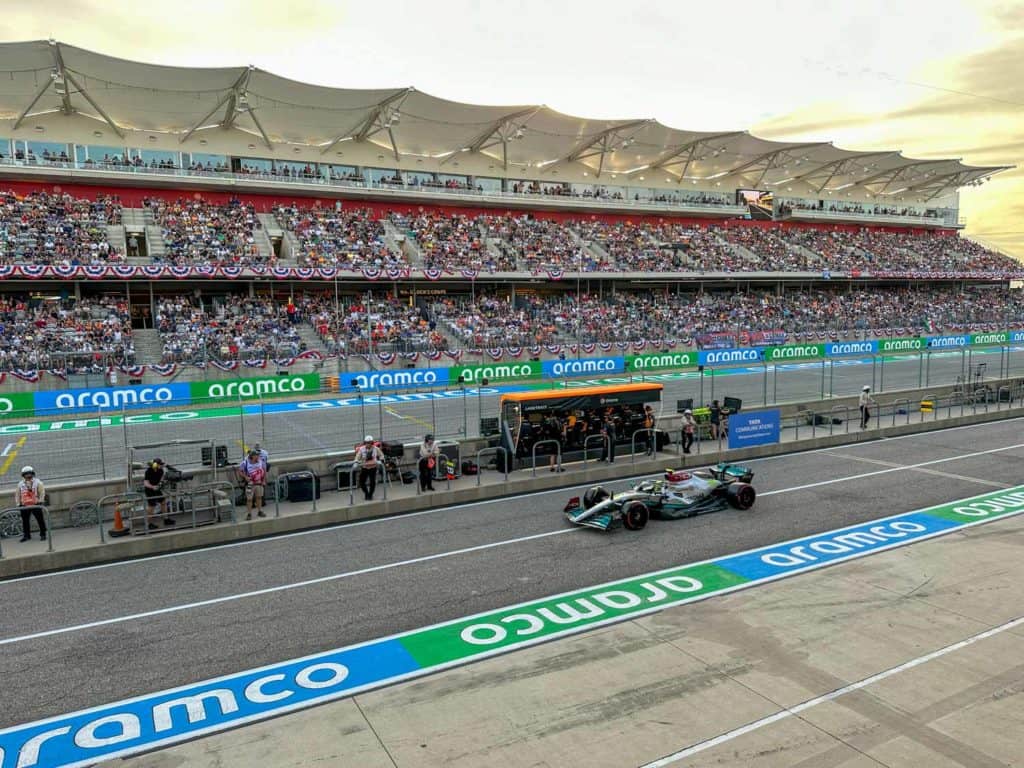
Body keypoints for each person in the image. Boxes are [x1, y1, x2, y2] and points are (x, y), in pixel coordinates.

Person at [14, 466, 46, 542]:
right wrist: (18, 503)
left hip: (35, 504)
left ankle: (43, 534)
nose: (28, 476)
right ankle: (26, 535)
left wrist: (40, 501)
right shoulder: (20, 484)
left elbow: (42, 492)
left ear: (32, 474)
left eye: (29, 474)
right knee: (25, 521)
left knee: (40, 520)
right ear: (23, 475)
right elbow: (17, 494)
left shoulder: (38, 482)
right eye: (26, 474)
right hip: (24, 505)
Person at [142, 458, 175, 530]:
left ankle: (166, 519)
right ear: (155, 465)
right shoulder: (148, 471)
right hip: (149, 490)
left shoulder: (161, 470)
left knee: (163, 502)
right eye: (159, 464)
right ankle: (149, 524)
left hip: (157, 489)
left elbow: (161, 479)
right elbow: (145, 483)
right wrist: (152, 487)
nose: (161, 465)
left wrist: (161, 484)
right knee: (152, 506)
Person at [238, 449, 267, 519]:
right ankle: (249, 514)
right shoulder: (245, 463)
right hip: (250, 484)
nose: (258, 457)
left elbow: (264, 470)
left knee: (259, 497)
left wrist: (264, 480)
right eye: (256, 455)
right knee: (249, 499)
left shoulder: (261, 461)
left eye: (258, 455)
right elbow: (240, 471)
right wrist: (245, 477)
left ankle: (260, 511)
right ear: (252, 456)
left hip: (259, 483)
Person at [354, 435, 384, 501]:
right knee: (361, 481)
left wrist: (381, 460)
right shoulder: (361, 449)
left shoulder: (376, 449)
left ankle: (370, 495)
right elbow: (357, 457)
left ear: (372, 443)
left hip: (373, 467)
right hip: (364, 467)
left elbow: (381, 455)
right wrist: (356, 461)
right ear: (365, 443)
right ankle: (366, 493)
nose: (368, 444)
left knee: (372, 482)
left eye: (370, 443)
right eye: (367, 443)